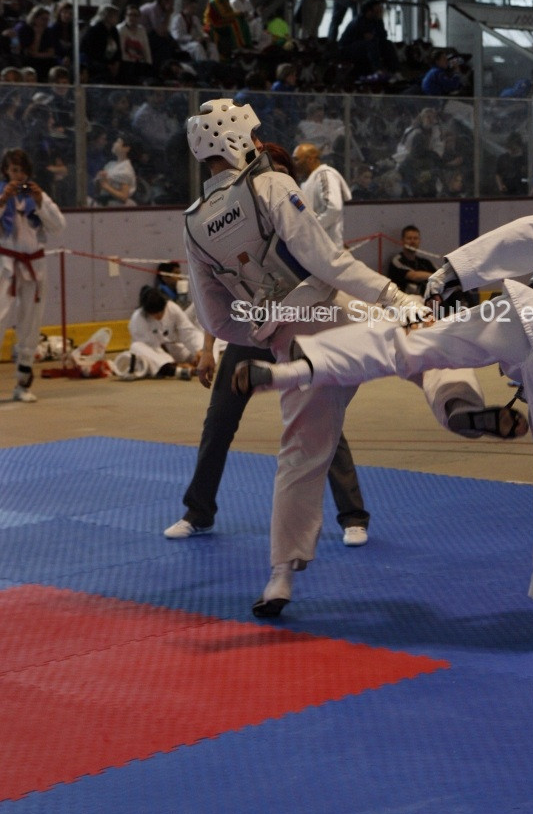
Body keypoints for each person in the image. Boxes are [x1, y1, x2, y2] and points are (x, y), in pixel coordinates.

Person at [238, 158, 533, 640]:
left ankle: (291, 370)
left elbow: (532, 233)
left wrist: (457, 270)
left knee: (409, 344)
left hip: (527, 312)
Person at [182, 99, 498, 618]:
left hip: (289, 343)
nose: (259, 144)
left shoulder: (194, 223)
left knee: (301, 454)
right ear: (236, 139)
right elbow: (327, 260)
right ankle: (458, 407)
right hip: (335, 312)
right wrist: (394, 297)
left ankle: (280, 577)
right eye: (254, 136)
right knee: (427, 340)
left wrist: (269, 332)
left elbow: (215, 320)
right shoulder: (270, 185)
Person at [165, 140, 374, 547]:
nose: (270, 176)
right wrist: (208, 348)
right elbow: (217, 296)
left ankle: (353, 515)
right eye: (264, 170)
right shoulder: (232, 225)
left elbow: (328, 278)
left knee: (320, 420)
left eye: (278, 170)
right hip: (250, 332)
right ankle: (198, 511)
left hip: (298, 331)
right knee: (218, 422)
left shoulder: (297, 220)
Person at [0, 147, 66, 401]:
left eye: (21, 171)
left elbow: (59, 227)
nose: (17, 175)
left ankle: (23, 383)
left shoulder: (39, 195)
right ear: (5, 171)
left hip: (34, 266)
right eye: (13, 170)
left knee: (30, 323)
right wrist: (3, 200)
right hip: (7, 265)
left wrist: (39, 202)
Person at [112, 285, 202, 380]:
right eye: (155, 314)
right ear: (147, 312)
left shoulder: (172, 308)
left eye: (161, 312)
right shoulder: (138, 318)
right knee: (136, 346)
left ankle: (197, 363)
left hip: (175, 347)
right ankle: (174, 370)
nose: (159, 316)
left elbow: (188, 331)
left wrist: (199, 349)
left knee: (201, 349)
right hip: (155, 356)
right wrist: (176, 364)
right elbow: (152, 346)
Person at [292, 141, 351, 248]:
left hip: (328, 249)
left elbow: (334, 208)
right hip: (314, 248)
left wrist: (311, 228)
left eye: (296, 159)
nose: (294, 163)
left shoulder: (325, 175)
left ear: (310, 159)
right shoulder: (306, 181)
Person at [387, 225, 437, 297]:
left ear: (419, 241)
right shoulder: (397, 261)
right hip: (402, 300)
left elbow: (441, 274)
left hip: (425, 299)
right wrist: (434, 276)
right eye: (409, 238)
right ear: (402, 241)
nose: (412, 241)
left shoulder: (425, 262)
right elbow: (414, 276)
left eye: (415, 238)